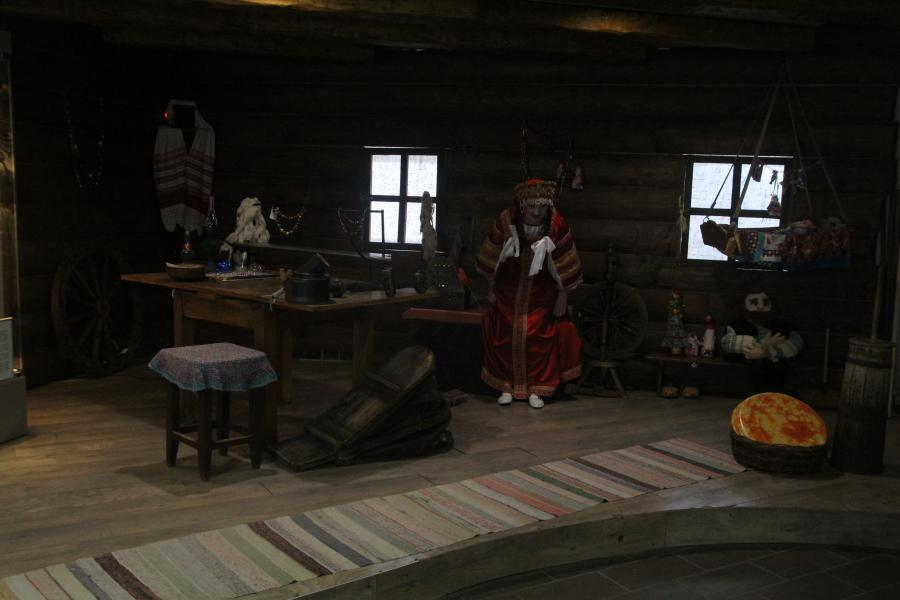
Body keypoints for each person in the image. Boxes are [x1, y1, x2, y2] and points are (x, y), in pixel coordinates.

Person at [475, 178, 583, 409]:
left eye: (542, 206)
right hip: (508, 290)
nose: (537, 212)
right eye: (532, 206)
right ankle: (507, 385)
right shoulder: (506, 221)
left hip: (542, 293)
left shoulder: (556, 224)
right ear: (523, 206)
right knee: (504, 334)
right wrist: (491, 289)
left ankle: (537, 387)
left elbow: (566, 262)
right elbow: (491, 256)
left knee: (538, 337)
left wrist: (563, 295)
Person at [720, 288, 803, 394]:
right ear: (744, 305)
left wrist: (767, 352)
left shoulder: (781, 325)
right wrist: (763, 345)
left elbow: (796, 342)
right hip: (745, 376)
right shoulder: (737, 325)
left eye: (765, 302)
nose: (760, 307)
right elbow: (727, 342)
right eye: (754, 302)